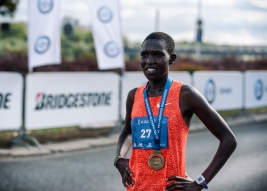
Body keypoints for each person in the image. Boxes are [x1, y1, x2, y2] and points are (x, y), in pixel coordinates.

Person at [114, 32, 237, 191]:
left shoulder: (185, 95)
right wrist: (119, 158)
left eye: (158, 55)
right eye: (144, 55)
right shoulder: (134, 96)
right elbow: (128, 132)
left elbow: (229, 140)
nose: (149, 61)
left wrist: (200, 182)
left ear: (172, 59)